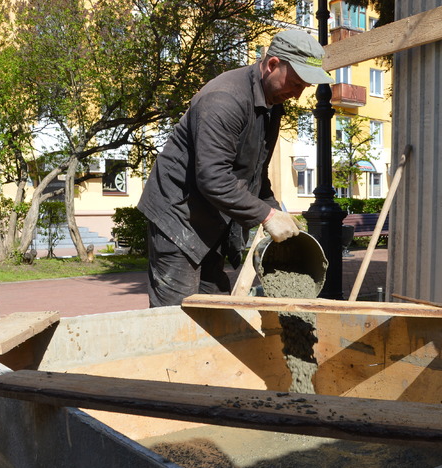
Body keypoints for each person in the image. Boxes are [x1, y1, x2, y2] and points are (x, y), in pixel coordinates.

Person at [138, 29, 334, 307]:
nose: (298, 93)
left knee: (212, 305)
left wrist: (275, 209)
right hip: (178, 218)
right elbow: (213, 177)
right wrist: (265, 216)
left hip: (212, 218)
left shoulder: (271, 103)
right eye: (295, 82)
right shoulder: (224, 99)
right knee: (175, 315)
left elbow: (255, 172)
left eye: (305, 87)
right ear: (272, 64)